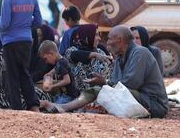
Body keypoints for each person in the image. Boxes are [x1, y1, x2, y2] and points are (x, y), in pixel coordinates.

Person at [41, 25, 169, 118]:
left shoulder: (140, 53)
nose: (106, 42)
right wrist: (104, 82)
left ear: (119, 40)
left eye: (109, 39)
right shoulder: (119, 56)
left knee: (100, 90)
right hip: (134, 97)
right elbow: (116, 82)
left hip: (153, 103)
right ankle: (68, 107)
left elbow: (129, 84)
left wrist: (104, 82)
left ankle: (64, 107)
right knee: (99, 90)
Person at [0, 0, 42, 111]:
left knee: (12, 76)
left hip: (10, 42)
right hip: (27, 40)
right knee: (24, 74)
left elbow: (6, 23)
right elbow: (38, 21)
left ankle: (17, 109)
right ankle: (33, 106)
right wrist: (25, 26)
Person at [64, 24, 112, 93]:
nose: (99, 38)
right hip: (78, 98)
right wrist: (95, 55)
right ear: (86, 37)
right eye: (96, 35)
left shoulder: (101, 52)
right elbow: (75, 55)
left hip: (100, 97)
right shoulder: (71, 51)